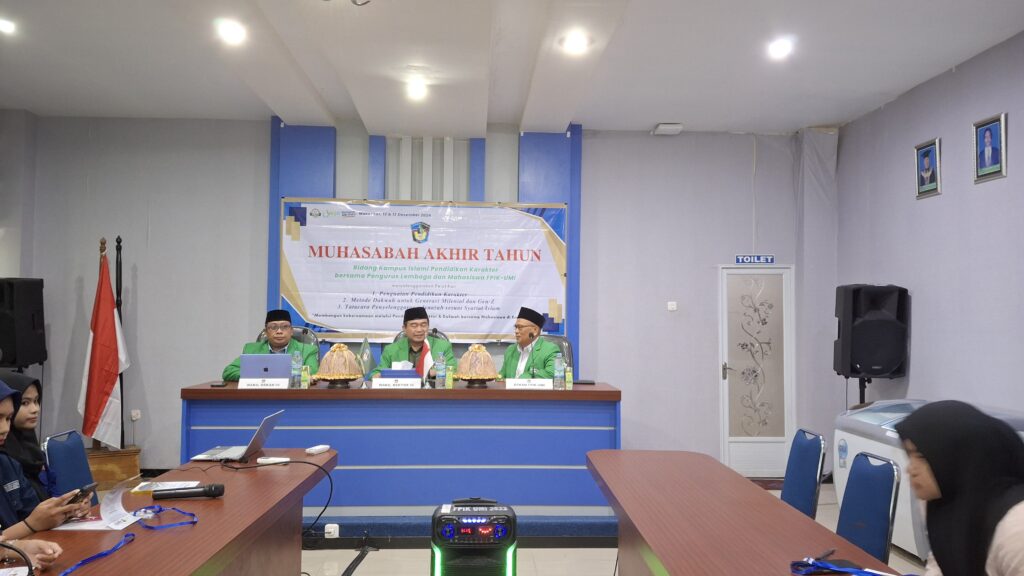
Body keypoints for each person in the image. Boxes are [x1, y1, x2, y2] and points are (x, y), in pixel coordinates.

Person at [895, 400, 1024, 576]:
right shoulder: (942, 499)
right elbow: (941, 560)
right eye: (909, 455)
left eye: (922, 457)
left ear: (959, 457)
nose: (911, 469)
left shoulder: (1015, 528)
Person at [0, 380, 86, 570]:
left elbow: (33, 512)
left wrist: (64, 511)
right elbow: (32, 522)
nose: (5, 428)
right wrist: (28, 528)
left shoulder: (7, 465)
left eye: (8, 419)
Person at [222, 309, 320, 381]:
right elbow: (229, 371)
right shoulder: (251, 349)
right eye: (273, 327)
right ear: (266, 332)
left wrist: (266, 373)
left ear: (291, 331)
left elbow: (313, 372)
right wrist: (261, 375)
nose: (279, 331)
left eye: (284, 327)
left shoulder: (308, 350)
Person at [369, 307, 455, 379]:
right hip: (402, 392)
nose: (419, 330)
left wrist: (431, 373)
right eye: (414, 325)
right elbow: (376, 373)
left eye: (423, 325)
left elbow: (453, 371)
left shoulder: (443, 346)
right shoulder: (391, 349)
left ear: (428, 326)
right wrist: (378, 376)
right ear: (404, 329)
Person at [0, 372, 48, 500]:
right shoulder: (5, 458)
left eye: (36, 401)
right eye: (25, 403)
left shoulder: (30, 444)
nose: (35, 409)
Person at [498, 307, 560, 379]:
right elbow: (501, 376)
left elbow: (552, 373)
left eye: (520, 327)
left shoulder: (550, 350)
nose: (516, 331)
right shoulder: (511, 350)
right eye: (516, 327)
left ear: (535, 330)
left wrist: (522, 380)